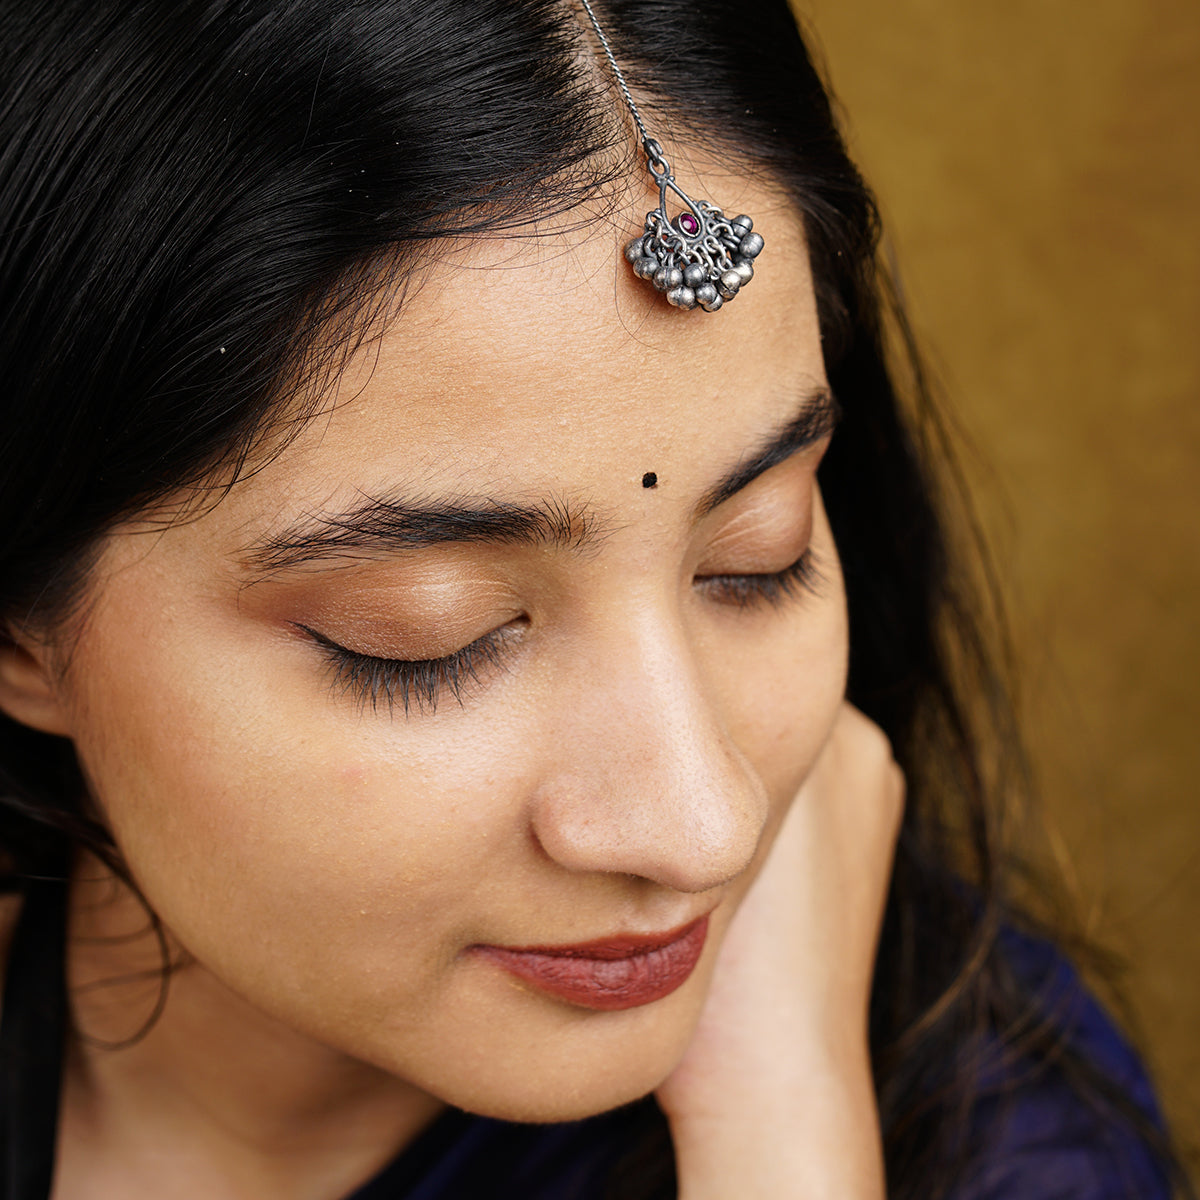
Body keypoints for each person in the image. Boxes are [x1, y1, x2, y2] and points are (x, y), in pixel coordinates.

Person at [0, 1, 1189, 1197]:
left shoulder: (1004, 1146)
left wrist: (783, 1139)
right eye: (431, 636)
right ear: (19, 629)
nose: (702, 824)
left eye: (756, 558)